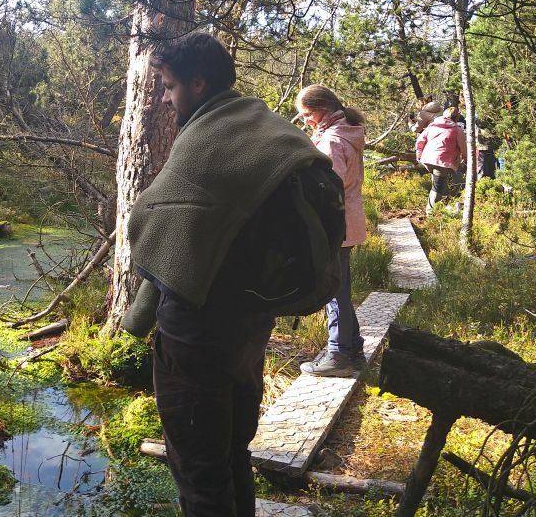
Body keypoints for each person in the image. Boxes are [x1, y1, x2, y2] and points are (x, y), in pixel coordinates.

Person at [121, 32, 324, 517]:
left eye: (169, 87)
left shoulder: (206, 139)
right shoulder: (265, 127)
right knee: (233, 452)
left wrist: (138, 317)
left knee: (198, 471)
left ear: (197, 82)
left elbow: (150, 219)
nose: (167, 100)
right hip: (251, 326)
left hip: (195, 333)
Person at [293, 85, 366, 377]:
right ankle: (353, 347)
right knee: (341, 287)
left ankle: (338, 355)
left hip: (336, 225)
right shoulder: (345, 132)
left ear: (322, 109)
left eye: (307, 114)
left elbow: (326, 189)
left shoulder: (333, 141)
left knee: (333, 289)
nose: (305, 120)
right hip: (348, 221)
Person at [415, 106, 467, 214]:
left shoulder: (432, 126)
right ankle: (430, 213)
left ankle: (442, 208)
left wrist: (419, 156)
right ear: (457, 117)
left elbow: (420, 141)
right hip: (441, 162)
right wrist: (466, 161)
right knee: (437, 188)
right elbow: (464, 149)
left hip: (427, 160)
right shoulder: (457, 130)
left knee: (440, 183)